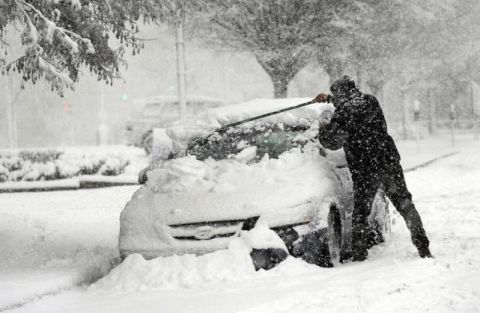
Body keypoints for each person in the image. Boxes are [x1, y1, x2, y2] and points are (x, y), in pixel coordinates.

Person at [314, 75, 432, 262]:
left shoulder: (343, 112)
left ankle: (360, 254)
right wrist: (330, 99)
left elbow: (332, 142)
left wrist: (324, 125)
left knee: (360, 213)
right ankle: (423, 246)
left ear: (341, 93)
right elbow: (355, 109)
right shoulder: (370, 101)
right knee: (405, 204)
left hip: (365, 169)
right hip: (388, 162)